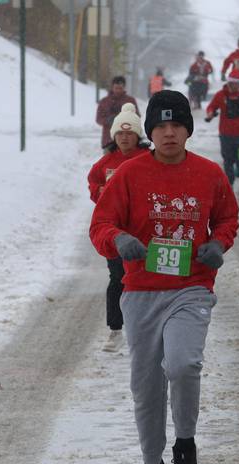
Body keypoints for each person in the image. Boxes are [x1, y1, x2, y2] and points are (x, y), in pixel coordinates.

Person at [89, 90, 239, 464]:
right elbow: (100, 224)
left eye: (176, 126)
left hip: (191, 288)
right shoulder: (129, 175)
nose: (169, 133)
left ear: (187, 131)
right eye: (161, 126)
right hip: (140, 292)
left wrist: (218, 243)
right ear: (149, 132)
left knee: (183, 363)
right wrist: (119, 240)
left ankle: (185, 444)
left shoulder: (209, 173)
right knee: (147, 384)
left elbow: (227, 218)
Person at [87, 103, 150, 352]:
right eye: (120, 134)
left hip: (144, 230)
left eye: (129, 133)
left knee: (145, 279)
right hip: (115, 232)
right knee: (118, 278)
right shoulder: (106, 162)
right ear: (114, 136)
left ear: (137, 135)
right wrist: (102, 192)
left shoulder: (147, 158)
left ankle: (145, 327)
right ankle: (115, 329)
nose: (125, 138)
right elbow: (94, 184)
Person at [205, 68, 239, 184]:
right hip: (225, 133)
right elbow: (211, 107)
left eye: (238, 84)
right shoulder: (221, 95)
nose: (235, 86)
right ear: (229, 83)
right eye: (233, 83)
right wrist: (210, 114)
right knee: (227, 159)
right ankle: (230, 184)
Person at [95, 76, 139, 148]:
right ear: (112, 87)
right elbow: (98, 119)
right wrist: (108, 120)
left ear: (124, 87)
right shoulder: (104, 101)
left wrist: (125, 119)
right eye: (116, 88)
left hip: (128, 142)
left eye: (120, 88)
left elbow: (137, 117)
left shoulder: (130, 100)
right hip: (108, 141)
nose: (118, 91)